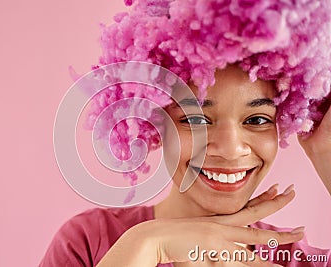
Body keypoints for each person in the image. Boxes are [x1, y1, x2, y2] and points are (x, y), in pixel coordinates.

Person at [40, 0, 331, 266]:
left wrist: (327, 154)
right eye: (196, 120)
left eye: (256, 120)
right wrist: (147, 245)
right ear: (154, 118)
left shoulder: (291, 259)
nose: (231, 150)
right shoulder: (90, 242)